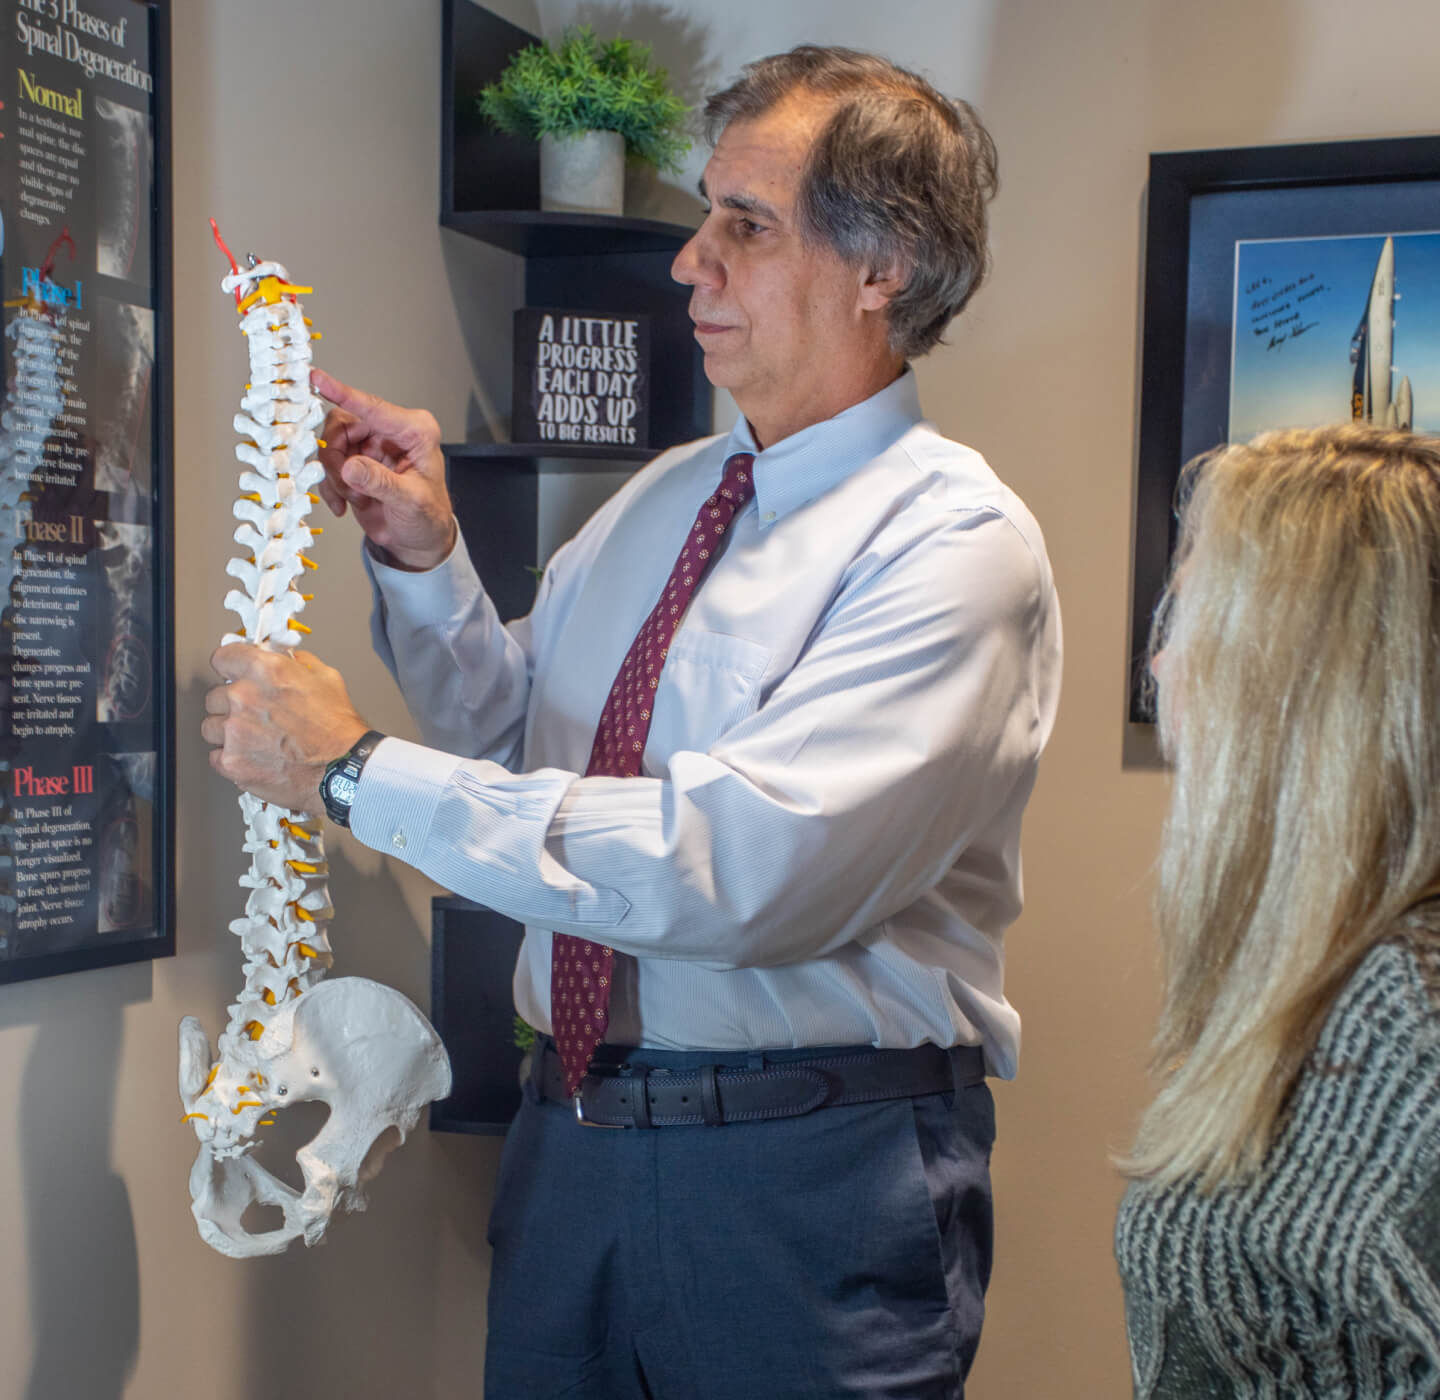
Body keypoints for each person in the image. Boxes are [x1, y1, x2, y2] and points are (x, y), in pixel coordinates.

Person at [203, 46, 1061, 1399]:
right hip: (578, 1150)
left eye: (744, 227)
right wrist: (425, 560)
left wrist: (356, 772)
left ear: (880, 267)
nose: (689, 265)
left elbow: (742, 871)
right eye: (705, 216)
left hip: (806, 1186)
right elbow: (523, 747)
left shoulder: (954, 548)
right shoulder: (669, 496)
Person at [1115, 423, 1440, 1397]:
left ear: (1296, 663)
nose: (1161, 667)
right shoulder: (1326, 963)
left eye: (1187, 617)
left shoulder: (1407, 1012)